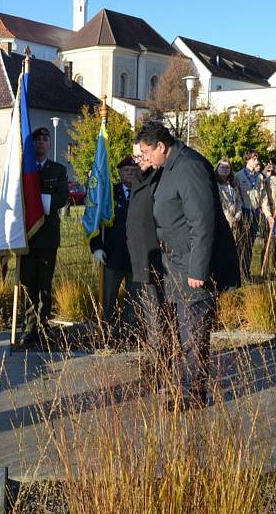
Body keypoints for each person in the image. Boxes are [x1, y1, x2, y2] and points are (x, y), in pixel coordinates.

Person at [135, 121, 240, 410]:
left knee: (193, 335)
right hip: (176, 265)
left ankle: (193, 394)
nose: (144, 157)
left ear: (161, 146)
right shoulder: (168, 167)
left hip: (192, 271)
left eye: (146, 151)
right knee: (183, 332)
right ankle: (186, 387)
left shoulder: (189, 167)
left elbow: (202, 223)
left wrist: (198, 270)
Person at [17, 126, 69, 348]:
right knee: (27, 283)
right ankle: (28, 327)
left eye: (45, 140)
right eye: (37, 140)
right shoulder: (23, 169)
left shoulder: (57, 170)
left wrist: (38, 203)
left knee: (45, 285)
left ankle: (42, 325)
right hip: (27, 237)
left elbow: (62, 198)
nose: (41, 143)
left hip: (47, 237)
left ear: (49, 144)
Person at [125, 147, 167, 379]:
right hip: (142, 259)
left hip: (156, 260)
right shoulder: (141, 179)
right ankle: (154, 358)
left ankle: (159, 363)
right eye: (136, 157)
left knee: (157, 315)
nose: (138, 161)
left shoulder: (157, 179)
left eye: (141, 156)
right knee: (149, 314)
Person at [90, 156, 140, 333]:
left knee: (134, 298)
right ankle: (105, 331)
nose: (131, 174)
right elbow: (96, 221)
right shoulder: (109, 195)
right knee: (108, 296)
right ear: (119, 173)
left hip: (136, 256)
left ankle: (129, 331)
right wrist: (96, 247)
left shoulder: (143, 192)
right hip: (112, 255)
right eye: (127, 171)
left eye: (134, 171)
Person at [234, 150, 265, 281]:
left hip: (255, 212)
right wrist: (237, 214)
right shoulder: (238, 176)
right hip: (244, 212)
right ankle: (238, 273)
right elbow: (236, 197)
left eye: (257, 159)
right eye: (253, 159)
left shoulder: (260, 177)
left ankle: (246, 272)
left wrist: (267, 215)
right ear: (247, 160)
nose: (256, 161)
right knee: (241, 244)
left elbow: (263, 198)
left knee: (250, 244)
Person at [260, 155, 276, 272]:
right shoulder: (270, 180)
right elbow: (266, 198)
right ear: (275, 165)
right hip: (272, 215)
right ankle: (264, 269)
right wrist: (270, 215)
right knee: (269, 243)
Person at [215, 160, 243, 236]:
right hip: (221, 221)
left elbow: (238, 201)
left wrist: (238, 215)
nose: (225, 169)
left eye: (227, 167)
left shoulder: (233, 184)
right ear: (217, 169)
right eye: (222, 167)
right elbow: (217, 203)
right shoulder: (214, 184)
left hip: (235, 221)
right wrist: (229, 217)